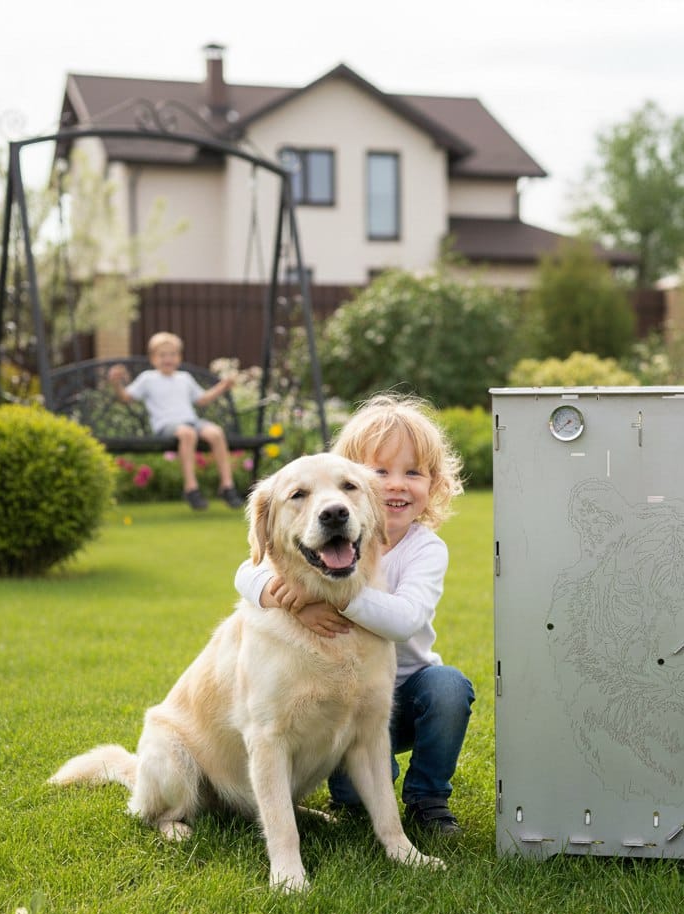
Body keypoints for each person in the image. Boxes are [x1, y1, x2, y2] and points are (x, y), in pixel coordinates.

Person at [234, 393, 475, 836]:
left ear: (433, 483)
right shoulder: (324, 538)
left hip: (405, 694)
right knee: (353, 800)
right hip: (336, 712)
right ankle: (358, 789)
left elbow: (404, 620)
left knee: (448, 687)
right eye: (380, 473)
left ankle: (428, 798)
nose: (395, 485)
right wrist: (282, 593)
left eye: (413, 473)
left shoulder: (425, 550)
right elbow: (245, 574)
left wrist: (331, 598)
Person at [107, 331, 244, 510]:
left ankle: (227, 486)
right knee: (187, 434)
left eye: (172, 354)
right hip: (166, 426)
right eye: (162, 355)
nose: (168, 359)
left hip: (191, 421)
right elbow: (126, 398)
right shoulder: (148, 378)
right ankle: (191, 487)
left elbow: (202, 399)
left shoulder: (184, 378)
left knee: (216, 432)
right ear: (153, 358)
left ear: (179, 358)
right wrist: (116, 384)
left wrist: (222, 387)